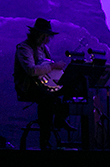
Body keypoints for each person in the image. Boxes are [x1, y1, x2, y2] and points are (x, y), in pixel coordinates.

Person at [13, 18, 76, 149]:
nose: (47, 40)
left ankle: (59, 118)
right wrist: (53, 66)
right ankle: (45, 141)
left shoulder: (44, 48)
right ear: (39, 35)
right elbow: (31, 70)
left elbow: (46, 67)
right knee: (47, 100)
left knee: (72, 86)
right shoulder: (24, 48)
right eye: (46, 36)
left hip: (43, 84)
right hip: (29, 87)